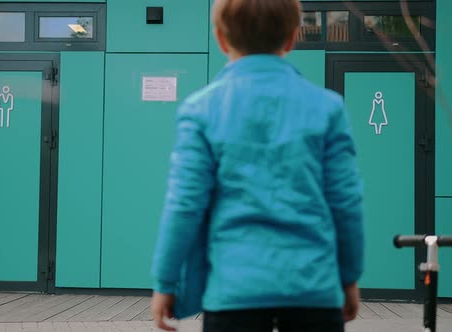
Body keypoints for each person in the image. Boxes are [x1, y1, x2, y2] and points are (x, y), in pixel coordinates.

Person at [150, 0, 365, 331]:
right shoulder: (328, 108)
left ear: (221, 39)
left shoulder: (201, 110)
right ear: (293, 38)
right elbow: (346, 205)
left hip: (234, 291)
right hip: (313, 290)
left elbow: (184, 206)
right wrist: (349, 277)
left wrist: (165, 282)